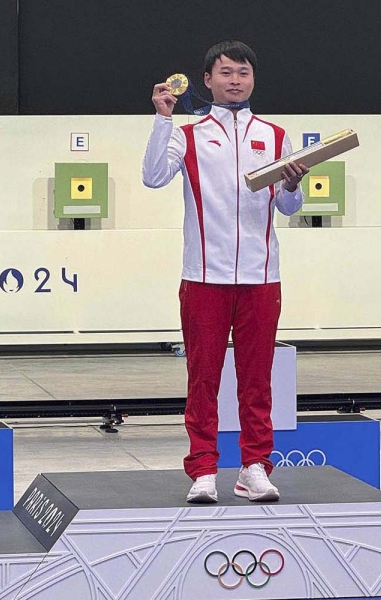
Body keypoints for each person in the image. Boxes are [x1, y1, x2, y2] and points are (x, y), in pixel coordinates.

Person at [142, 40, 309, 504]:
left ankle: (254, 466)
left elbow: (290, 206)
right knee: (204, 377)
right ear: (208, 80)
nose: (236, 80)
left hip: (260, 276)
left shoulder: (275, 136)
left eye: (244, 73)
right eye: (227, 72)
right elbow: (154, 177)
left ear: (253, 80)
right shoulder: (189, 135)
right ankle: (203, 468)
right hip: (203, 276)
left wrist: (293, 183)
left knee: (257, 378)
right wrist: (162, 119)